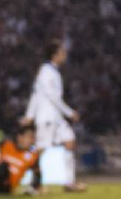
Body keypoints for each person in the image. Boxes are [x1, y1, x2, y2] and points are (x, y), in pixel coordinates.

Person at [23, 39, 87, 192]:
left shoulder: (51, 71)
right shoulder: (47, 71)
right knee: (40, 149)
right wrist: (70, 112)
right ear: (54, 55)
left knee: (69, 141)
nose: (65, 55)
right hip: (47, 117)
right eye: (62, 52)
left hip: (55, 117)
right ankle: (32, 184)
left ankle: (69, 183)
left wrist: (29, 115)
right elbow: (51, 97)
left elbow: (36, 94)